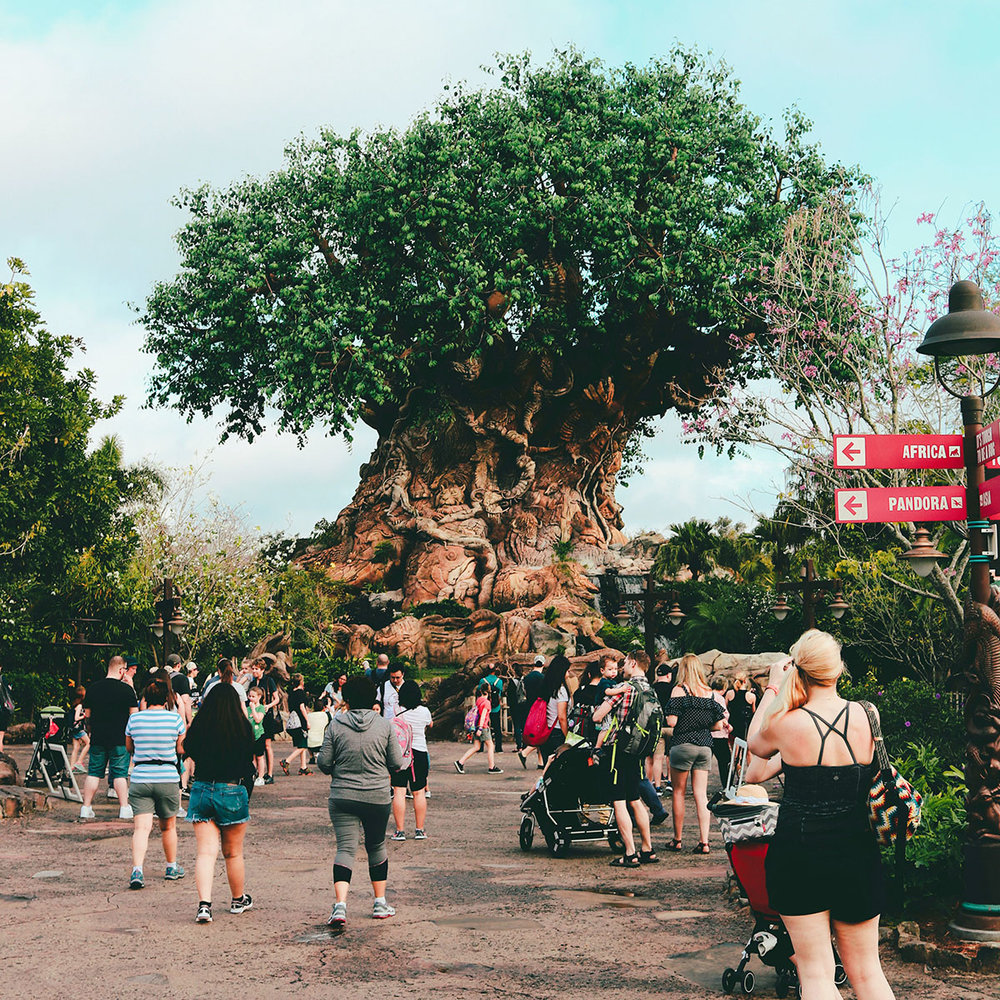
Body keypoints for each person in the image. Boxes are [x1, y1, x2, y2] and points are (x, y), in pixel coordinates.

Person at [747, 630, 894, 1000]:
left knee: (815, 973)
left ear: (799, 669)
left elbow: (754, 747)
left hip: (800, 854)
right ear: (837, 669)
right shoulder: (867, 714)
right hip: (857, 851)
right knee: (867, 971)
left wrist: (772, 688)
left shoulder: (787, 722)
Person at [317, 674, 404, 927]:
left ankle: (340, 907)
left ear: (347, 698)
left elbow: (323, 762)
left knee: (345, 849)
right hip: (377, 796)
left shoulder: (336, 724)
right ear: (373, 697)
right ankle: (379, 903)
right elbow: (396, 763)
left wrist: (337, 770)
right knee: (376, 846)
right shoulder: (385, 725)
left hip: (343, 795)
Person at [182, 682, 255, 924]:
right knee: (233, 853)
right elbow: (250, 762)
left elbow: (187, 749)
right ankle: (237, 899)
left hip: (202, 788)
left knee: (205, 853)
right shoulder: (243, 728)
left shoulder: (200, 726)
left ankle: (204, 906)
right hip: (233, 789)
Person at [592, 651, 656, 867]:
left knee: (619, 801)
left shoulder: (625, 689)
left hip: (619, 751)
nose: (622, 668)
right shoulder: (650, 689)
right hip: (638, 751)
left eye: (625, 663)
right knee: (635, 799)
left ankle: (630, 853)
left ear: (633, 663)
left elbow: (598, 716)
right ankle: (647, 849)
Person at [124, 676, 186, 888]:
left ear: (146, 698)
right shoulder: (175, 719)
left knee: (141, 828)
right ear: (166, 698)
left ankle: (137, 871)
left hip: (141, 776)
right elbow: (181, 749)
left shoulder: (135, 719)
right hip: (168, 776)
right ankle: (171, 866)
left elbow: (129, 748)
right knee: (168, 827)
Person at [666, 654, 726, 854]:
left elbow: (672, 722)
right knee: (701, 794)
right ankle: (705, 841)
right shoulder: (709, 694)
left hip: (683, 744)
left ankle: (677, 839)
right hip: (705, 747)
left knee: (678, 792)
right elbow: (718, 725)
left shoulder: (679, 690)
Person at [79, 655, 138, 821]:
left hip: (98, 737)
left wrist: (91, 731)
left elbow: (88, 716)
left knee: (93, 773)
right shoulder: (126, 690)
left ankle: (86, 807)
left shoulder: (93, 688)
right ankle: (124, 808)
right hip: (120, 738)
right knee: (120, 774)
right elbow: (134, 717)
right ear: (121, 670)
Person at [390, 680, 433, 841]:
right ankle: (419, 830)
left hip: (400, 754)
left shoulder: (397, 710)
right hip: (419, 753)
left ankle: (400, 831)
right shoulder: (424, 711)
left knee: (399, 791)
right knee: (418, 791)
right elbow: (430, 725)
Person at [454, 681, 503, 774]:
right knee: (491, 746)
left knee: (476, 747)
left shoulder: (479, 700)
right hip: (483, 727)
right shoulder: (487, 703)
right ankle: (491, 767)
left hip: (476, 726)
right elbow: (483, 716)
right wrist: (480, 728)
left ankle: (460, 762)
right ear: (489, 692)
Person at [250, 658, 280, 784]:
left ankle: (270, 773)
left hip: (266, 716)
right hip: (254, 716)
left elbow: (277, 698)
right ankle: (256, 772)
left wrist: (268, 706)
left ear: (262, 669)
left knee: (267, 745)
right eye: (253, 669)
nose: (254, 671)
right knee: (255, 745)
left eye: (256, 669)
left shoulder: (269, 681)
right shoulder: (252, 683)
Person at [538, 654, 571, 766]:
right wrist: (567, 736)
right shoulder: (561, 690)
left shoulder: (546, 687)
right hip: (556, 733)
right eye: (567, 671)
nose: (569, 674)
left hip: (545, 731)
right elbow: (562, 717)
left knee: (547, 769)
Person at [516, 656, 546, 769]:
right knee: (541, 734)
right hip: (540, 709)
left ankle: (540, 762)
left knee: (537, 734)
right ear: (543, 664)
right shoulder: (543, 678)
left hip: (528, 708)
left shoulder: (526, 678)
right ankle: (525, 753)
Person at [280, 673, 313, 776]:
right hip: (300, 721)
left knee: (300, 744)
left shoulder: (291, 694)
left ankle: (303, 767)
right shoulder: (301, 693)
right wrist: (307, 720)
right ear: (301, 682)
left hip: (293, 722)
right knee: (303, 745)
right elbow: (302, 707)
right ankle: (287, 761)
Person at [710, 676, 733, 785]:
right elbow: (721, 715)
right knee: (725, 762)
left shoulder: (707, 695)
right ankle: (727, 785)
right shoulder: (719, 698)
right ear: (724, 688)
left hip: (707, 734)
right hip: (719, 734)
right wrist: (728, 725)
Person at [726, 671, 758, 742]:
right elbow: (754, 712)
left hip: (732, 724)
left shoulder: (729, 693)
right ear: (745, 681)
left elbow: (725, 708)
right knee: (742, 749)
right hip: (744, 727)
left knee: (733, 748)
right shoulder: (751, 696)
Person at [246, 687, 268, 786]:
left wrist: (253, 709)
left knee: (260, 756)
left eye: (253, 696)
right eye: (249, 696)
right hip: (249, 736)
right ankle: (252, 774)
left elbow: (258, 719)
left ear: (259, 697)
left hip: (259, 735)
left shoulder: (261, 708)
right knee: (251, 757)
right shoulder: (246, 709)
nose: (251, 698)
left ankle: (261, 776)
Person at [482, 664, 504, 752]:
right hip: (495, 707)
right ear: (495, 670)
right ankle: (498, 748)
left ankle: (480, 747)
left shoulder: (482, 681)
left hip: (484, 707)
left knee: (483, 726)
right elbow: (500, 693)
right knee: (497, 728)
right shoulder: (499, 681)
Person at [68, 685, 90, 772]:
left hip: (73, 729)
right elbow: (76, 718)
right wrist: (84, 716)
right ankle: (79, 762)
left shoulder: (74, 705)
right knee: (89, 743)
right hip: (78, 729)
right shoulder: (80, 706)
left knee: (76, 747)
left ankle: (72, 767)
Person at [0, 663, 14, 754]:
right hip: (3, 709)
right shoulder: (3, 679)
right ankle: (0, 752)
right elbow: (9, 691)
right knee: (0, 735)